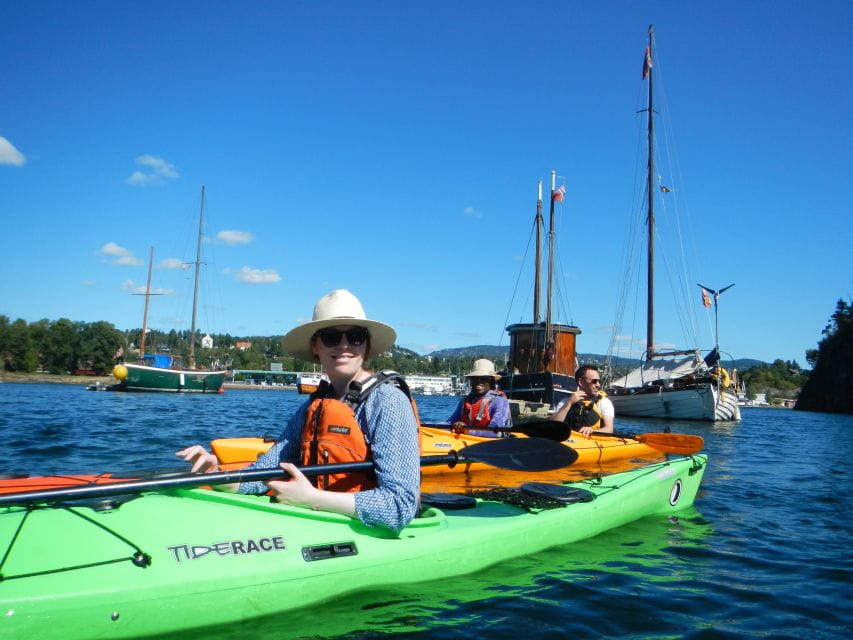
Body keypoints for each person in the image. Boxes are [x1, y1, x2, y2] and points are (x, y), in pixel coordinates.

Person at [176, 289, 421, 534]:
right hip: (321, 523)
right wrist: (219, 476)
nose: (344, 345)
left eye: (355, 336)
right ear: (316, 345)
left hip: (366, 532)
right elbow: (264, 473)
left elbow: (400, 506)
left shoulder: (388, 402)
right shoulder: (312, 408)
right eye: (331, 336)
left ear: (366, 346)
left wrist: (312, 498)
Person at [448, 359, 510, 433]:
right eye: (475, 378)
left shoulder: (500, 401)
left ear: (491, 380)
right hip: (467, 440)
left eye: (483, 379)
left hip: (492, 443)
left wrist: (468, 431)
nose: (478, 382)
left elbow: (495, 432)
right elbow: (449, 422)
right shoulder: (465, 401)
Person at [552, 364, 614, 436]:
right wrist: (569, 403)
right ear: (581, 382)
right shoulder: (565, 401)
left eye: (599, 381)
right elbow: (553, 425)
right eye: (594, 381)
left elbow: (609, 429)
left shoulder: (604, 403)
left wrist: (592, 430)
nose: (598, 385)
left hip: (592, 442)